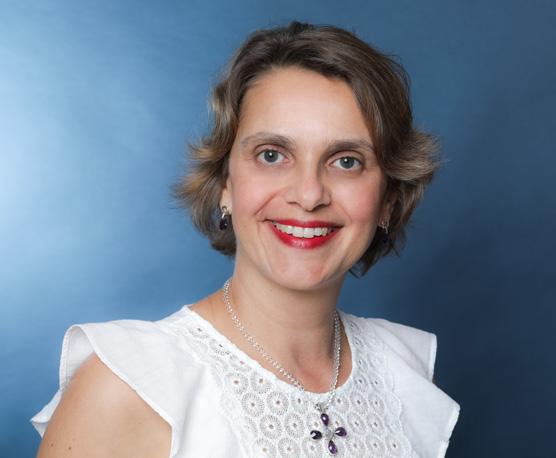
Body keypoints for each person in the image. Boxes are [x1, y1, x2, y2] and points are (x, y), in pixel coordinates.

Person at [30, 20, 460, 458]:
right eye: (272, 155)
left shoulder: (403, 373)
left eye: (346, 161)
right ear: (225, 184)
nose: (308, 194)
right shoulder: (127, 389)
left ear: (388, 199)